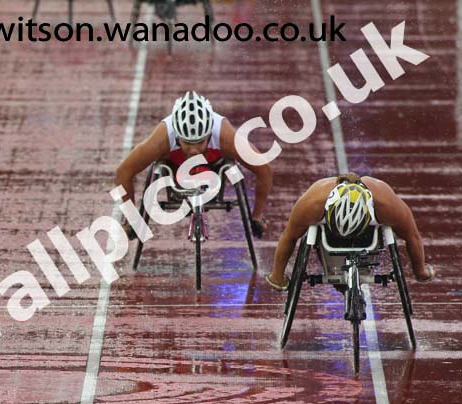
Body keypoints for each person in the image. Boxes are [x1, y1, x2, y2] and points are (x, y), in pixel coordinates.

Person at [115, 90, 273, 238]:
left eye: (200, 142)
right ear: (177, 136)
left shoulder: (225, 136)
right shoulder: (163, 138)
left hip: (214, 170)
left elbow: (264, 170)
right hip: (176, 170)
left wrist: (257, 216)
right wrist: (132, 217)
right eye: (187, 143)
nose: (194, 150)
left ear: (209, 134)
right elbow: (123, 172)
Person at [265, 173, 434, 290]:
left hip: (366, 232)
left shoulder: (386, 203)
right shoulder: (313, 203)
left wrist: (420, 271)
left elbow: (412, 236)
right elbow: (290, 236)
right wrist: (277, 275)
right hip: (330, 232)